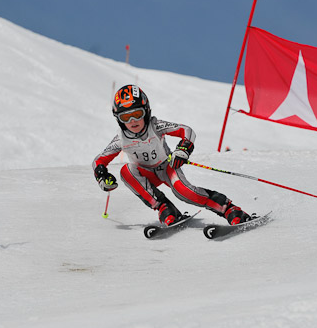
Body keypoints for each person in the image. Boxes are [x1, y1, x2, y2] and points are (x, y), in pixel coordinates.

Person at [92, 84, 252, 226]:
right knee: (126, 171)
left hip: (168, 168)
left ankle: (230, 210)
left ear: (146, 111)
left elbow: (187, 131)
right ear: (119, 120)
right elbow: (98, 161)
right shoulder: (121, 138)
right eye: (126, 117)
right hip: (146, 174)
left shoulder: (155, 126)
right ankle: (165, 208)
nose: (133, 120)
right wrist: (102, 176)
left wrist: (183, 149)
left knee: (186, 193)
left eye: (137, 114)